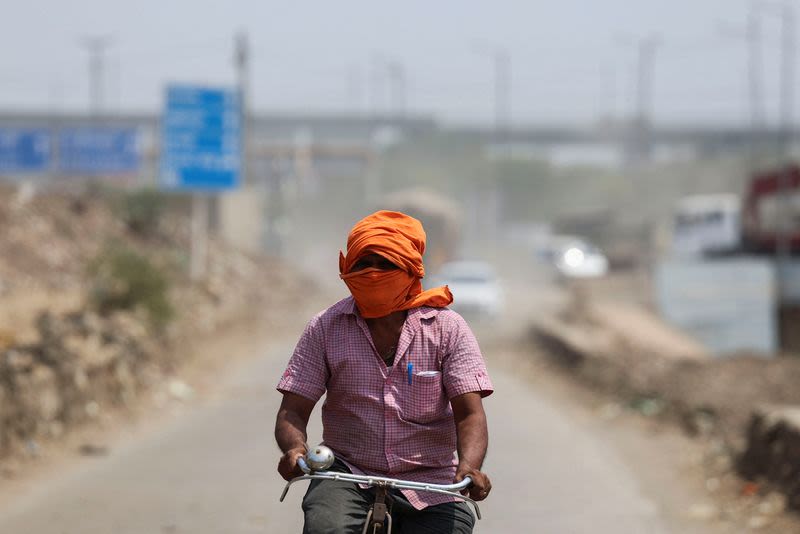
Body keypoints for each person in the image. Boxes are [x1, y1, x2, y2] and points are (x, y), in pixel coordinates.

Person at [275, 210, 493, 534]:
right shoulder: (325, 327)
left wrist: (470, 467)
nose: (373, 274)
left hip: (431, 481)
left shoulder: (449, 329)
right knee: (324, 527)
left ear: (411, 269)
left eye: (385, 264)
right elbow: (293, 409)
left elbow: (469, 415)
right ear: (347, 269)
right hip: (346, 472)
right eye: (363, 264)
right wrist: (294, 449)